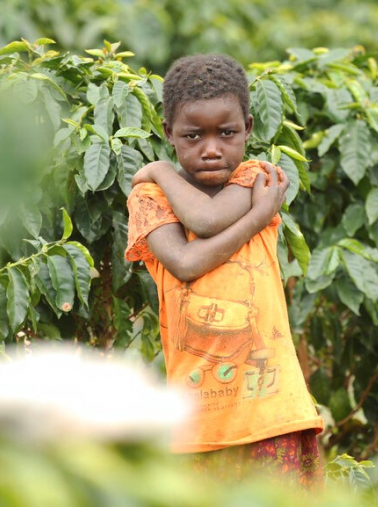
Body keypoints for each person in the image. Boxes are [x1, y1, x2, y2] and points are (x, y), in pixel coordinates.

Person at [124, 54, 324, 488]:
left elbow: (208, 220)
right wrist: (257, 217)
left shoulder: (257, 178)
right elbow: (185, 262)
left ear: (248, 129)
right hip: (197, 425)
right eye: (193, 135)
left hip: (272, 411)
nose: (212, 148)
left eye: (227, 133)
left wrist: (157, 167)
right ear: (168, 133)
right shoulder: (150, 198)